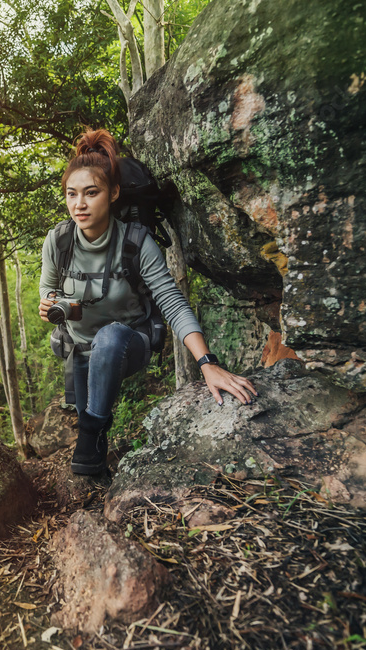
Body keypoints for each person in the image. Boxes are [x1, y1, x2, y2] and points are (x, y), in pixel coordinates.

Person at [39, 128, 259, 475]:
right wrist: (49, 301)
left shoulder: (136, 243)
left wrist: (207, 363)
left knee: (108, 347)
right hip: (77, 347)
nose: (79, 204)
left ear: (112, 193)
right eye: (71, 194)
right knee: (90, 442)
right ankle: (96, 463)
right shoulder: (58, 240)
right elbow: (47, 287)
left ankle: (93, 434)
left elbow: (172, 301)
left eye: (91, 193)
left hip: (127, 344)